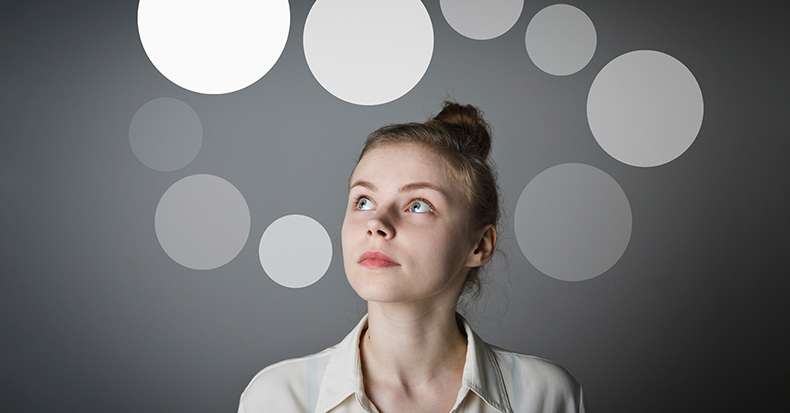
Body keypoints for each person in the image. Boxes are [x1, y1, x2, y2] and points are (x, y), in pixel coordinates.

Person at [237, 100, 585, 413]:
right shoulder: (278, 398)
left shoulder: (546, 396)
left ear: (479, 245)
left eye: (418, 205)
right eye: (363, 201)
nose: (376, 223)